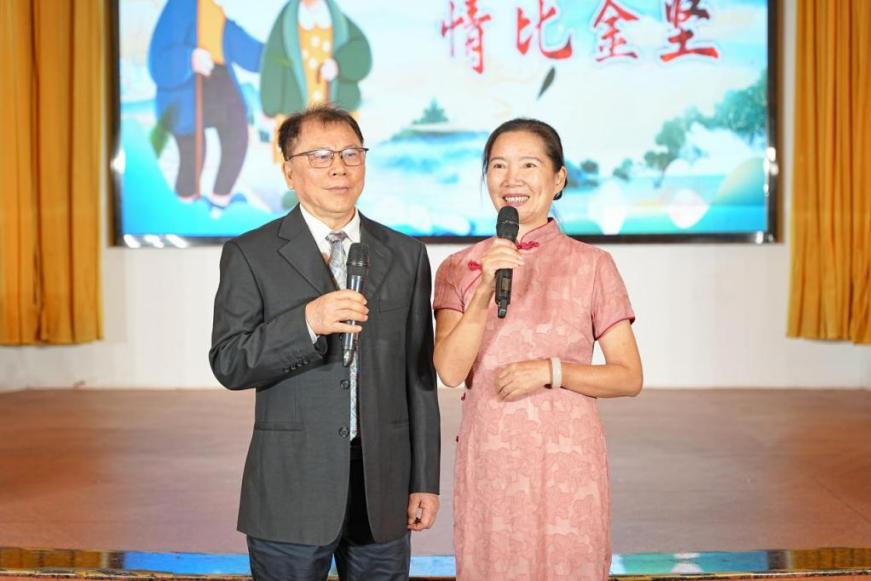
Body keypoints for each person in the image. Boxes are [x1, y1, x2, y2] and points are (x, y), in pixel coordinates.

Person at [210, 105, 440, 580]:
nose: (339, 167)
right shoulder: (250, 254)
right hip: (291, 488)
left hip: (382, 488)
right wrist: (307, 323)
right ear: (289, 171)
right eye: (320, 156)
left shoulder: (406, 254)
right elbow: (230, 362)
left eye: (351, 154)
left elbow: (419, 379)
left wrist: (424, 481)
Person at [433, 118, 643, 580]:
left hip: (567, 462)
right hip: (492, 460)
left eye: (528, 165)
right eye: (498, 166)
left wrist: (551, 370)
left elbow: (628, 376)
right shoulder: (457, 267)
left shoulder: (593, 265)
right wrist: (484, 290)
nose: (512, 179)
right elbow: (449, 370)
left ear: (558, 178)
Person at [148, 0, 263, 207]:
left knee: (237, 135)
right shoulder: (180, 6)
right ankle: (186, 203)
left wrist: (277, 57)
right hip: (186, 88)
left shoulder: (215, 11)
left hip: (220, 81)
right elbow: (158, 59)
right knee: (194, 153)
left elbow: (245, 49)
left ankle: (221, 199)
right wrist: (188, 58)